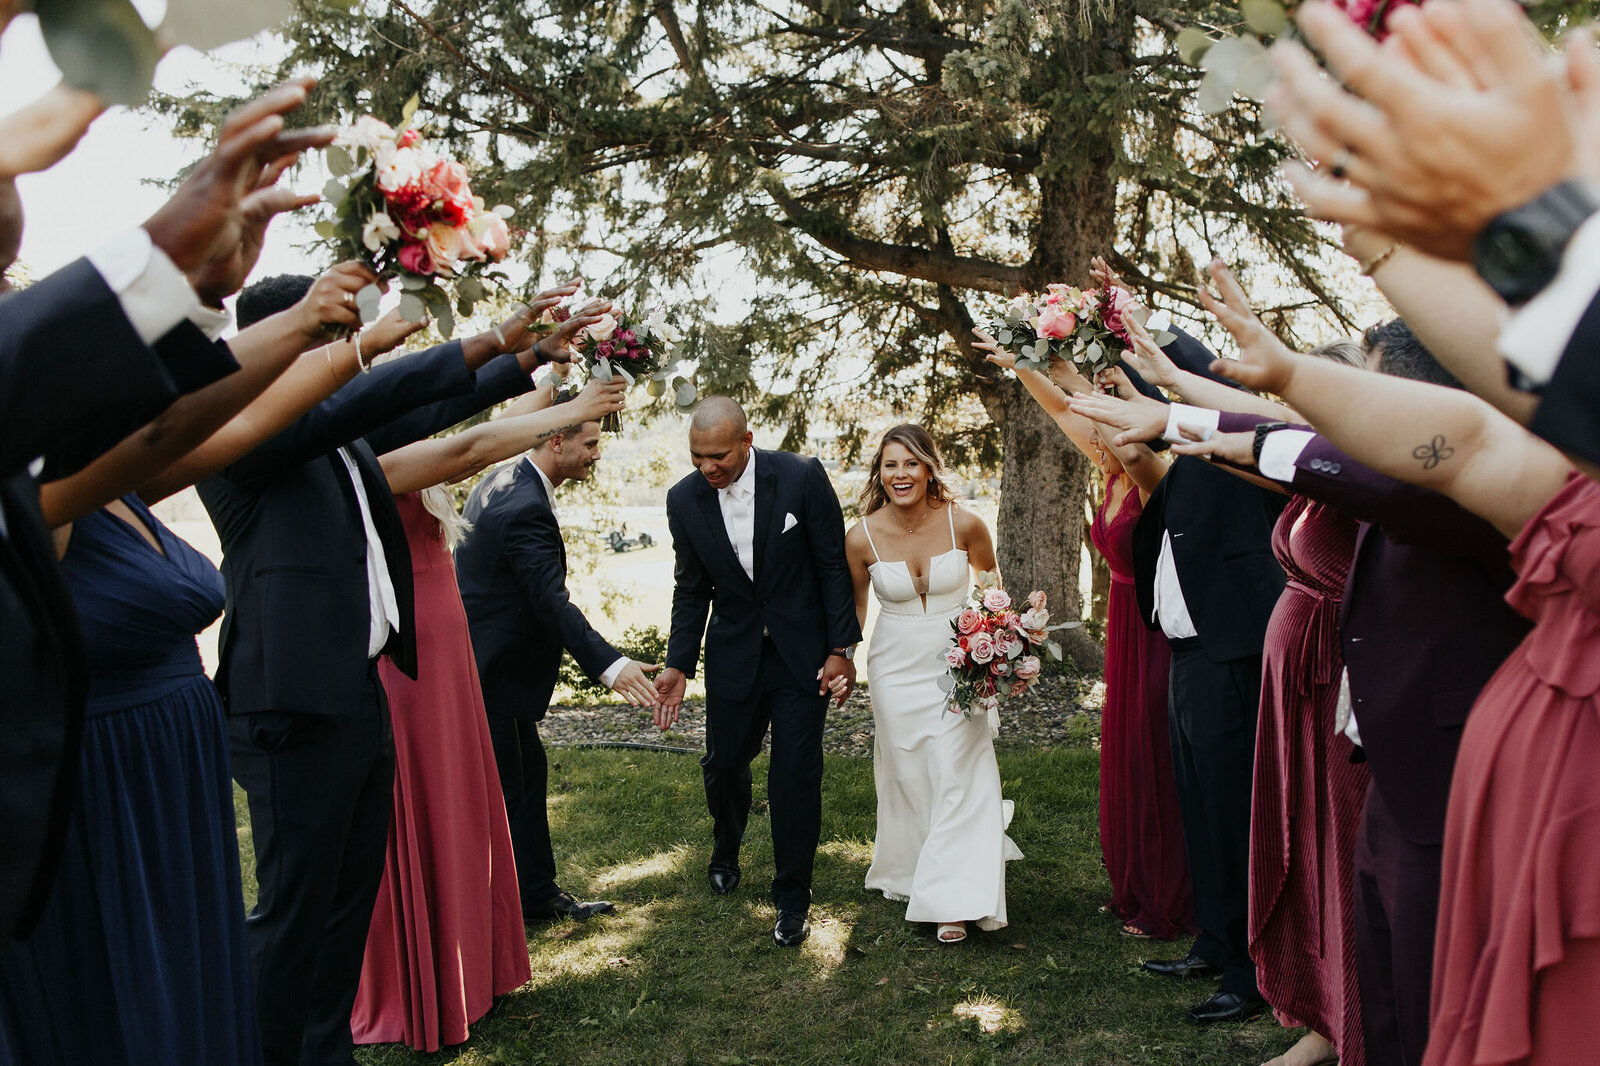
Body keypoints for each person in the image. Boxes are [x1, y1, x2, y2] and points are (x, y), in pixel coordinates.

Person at [1181, 260, 1597, 1065]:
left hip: (1463, 770)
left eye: (1371, 394)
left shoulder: (1450, 482)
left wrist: (1183, 423)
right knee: (1393, 985)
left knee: (1434, 990)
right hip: (1396, 755)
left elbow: (1322, 456)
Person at [199, 276, 577, 1066]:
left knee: (345, 904)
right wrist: (488, 338)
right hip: (290, 705)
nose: (344, 358)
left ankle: (321, 1052)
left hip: (357, 691)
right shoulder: (245, 432)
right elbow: (373, 398)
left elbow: (425, 411)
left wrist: (526, 353)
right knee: (295, 912)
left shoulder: (333, 432)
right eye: (328, 341)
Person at [0, 78, 329, 942]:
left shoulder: (93, 474)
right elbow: (152, 426)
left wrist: (225, 295)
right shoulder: (52, 485)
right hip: (91, 786)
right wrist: (166, 263)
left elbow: (194, 418)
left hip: (171, 776)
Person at [972, 319, 1193, 942]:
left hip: (1153, 628)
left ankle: (1169, 895)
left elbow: (1097, 421)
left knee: (1154, 756)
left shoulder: (1153, 472)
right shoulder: (1108, 461)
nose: (1089, 417)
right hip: (1123, 626)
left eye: (1109, 403)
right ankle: (1133, 885)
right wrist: (1021, 362)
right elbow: (1061, 406)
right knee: (1126, 752)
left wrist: (1091, 380)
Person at [653, 396, 861, 948]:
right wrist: (678, 663)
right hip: (734, 655)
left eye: (717, 455)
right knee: (724, 764)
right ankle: (726, 846)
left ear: (747, 441)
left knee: (795, 775)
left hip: (801, 657)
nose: (707, 468)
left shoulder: (800, 477)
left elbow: (830, 563)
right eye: (697, 457)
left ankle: (792, 898)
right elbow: (691, 588)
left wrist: (841, 646)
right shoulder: (684, 499)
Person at [455, 410, 661, 927]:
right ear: (555, 439)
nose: (597, 453)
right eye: (589, 443)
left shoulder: (504, 477)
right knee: (504, 796)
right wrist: (610, 667)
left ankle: (536, 896)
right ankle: (494, 915)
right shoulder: (523, 503)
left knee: (526, 780)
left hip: (497, 674)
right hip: (493, 674)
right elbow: (551, 602)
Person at [841, 423, 1020, 944]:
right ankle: (920, 868)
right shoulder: (861, 536)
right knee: (912, 774)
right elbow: (853, 612)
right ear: (879, 471)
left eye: (911, 463)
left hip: (959, 664)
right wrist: (843, 660)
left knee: (959, 770)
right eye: (890, 464)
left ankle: (953, 902)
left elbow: (994, 597)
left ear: (928, 468)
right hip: (894, 668)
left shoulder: (966, 525)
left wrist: (1004, 657)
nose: (901, 474)